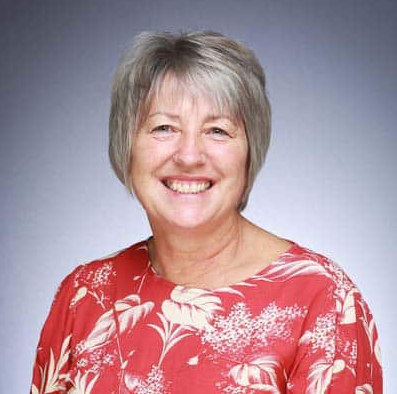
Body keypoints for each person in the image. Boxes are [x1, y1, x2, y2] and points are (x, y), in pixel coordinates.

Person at [31, 31, 382, 394]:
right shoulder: (85, 295)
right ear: (126, 146)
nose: (188, 156)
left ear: (249, 154)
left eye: (217, 130)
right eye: (164, 127)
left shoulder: (322, 299)